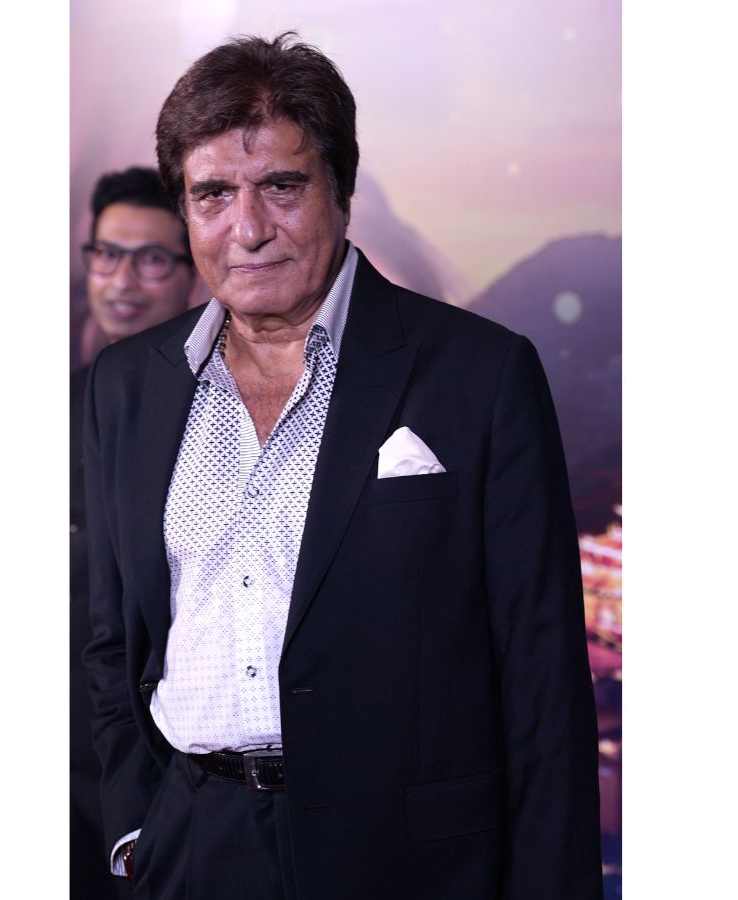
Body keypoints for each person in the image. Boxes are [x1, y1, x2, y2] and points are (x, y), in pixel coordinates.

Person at [82, 34, 602, 900]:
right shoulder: (127, 385)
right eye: (213, 194)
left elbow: (541, 678)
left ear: (343, 191)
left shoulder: (478, 375)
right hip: (192, 847)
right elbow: (115, 641)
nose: (249, 229)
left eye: (282, 187)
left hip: (407, 861)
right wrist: (142, 831)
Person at [72, 166, 197, 898]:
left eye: (151, 258)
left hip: (170, 773)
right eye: (107, 254)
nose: (122, 280)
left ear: (193, 270)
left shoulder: (221, 419)